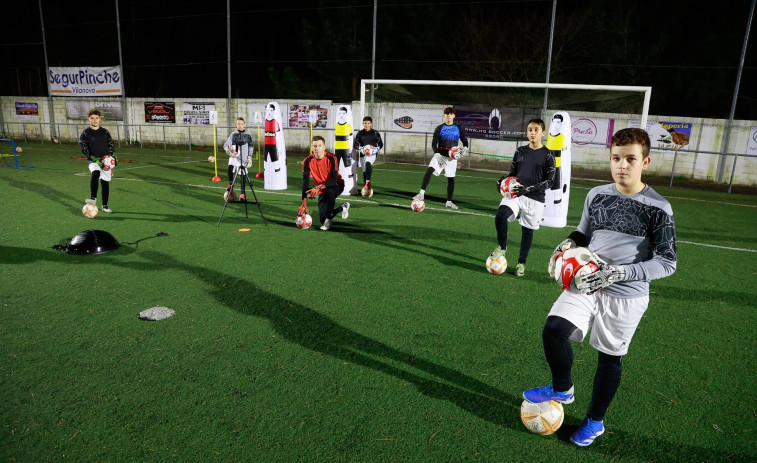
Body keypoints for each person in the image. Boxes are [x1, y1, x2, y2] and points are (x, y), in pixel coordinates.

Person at [522, 127, 677, 447]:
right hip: (586, 281)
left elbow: (667, 262)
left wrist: (618, 273)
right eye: (616, 158)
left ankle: (594, 421)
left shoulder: (659, 208)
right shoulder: (597, 195)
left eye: (631, 159)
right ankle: (563, 388)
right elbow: (583, 234)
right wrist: (565, 244)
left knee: (609, 358)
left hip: (627, 295)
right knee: (553, 329)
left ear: (645, 162)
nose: (622, 165)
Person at [489, 118, 556, 276]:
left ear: (543, 133)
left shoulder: (548, 155)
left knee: (527, 231)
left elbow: (550, 181)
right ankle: (502, 247)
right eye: (530, 130)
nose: (532, 133)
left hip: (535, 199)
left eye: (536, 130)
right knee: (501, 215)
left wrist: (530, 188)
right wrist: (503, 182)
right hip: (516, 194)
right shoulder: (520, 151)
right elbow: (512, 174)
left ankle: (521, 264)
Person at [412, 107, 469, 210]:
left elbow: (465, 141)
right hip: (440, 155)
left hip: (452, 158)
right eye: (446, 113)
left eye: (450, 113)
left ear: (454, 115)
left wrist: (465, 148)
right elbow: (434, 144)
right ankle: (421, 194)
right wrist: (437, 154)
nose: (448, 115)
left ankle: (449, 202)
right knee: (429, 170)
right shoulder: (439, 128)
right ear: (444, 115)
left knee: (451, 179)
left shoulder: (458, 127)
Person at [299, 136, 350, 231]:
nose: (317, 148)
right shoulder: (307, 161)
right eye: (314, 146)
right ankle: (343, 208)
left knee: (330, 190)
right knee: (323, 218)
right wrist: (304, 202)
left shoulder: (332, 158)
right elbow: (305, 182)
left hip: (336, 185)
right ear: (312, 147)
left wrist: (318, 188)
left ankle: (329, 219)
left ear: (324, 147)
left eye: (319, 146)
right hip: (322, 190)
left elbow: (334, 179)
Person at [79, 108, 116, 213]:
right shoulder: (85, 133)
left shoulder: (105, 132)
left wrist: (112, 157)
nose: (94, 120)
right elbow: (83, 147)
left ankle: (105, 206)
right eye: (92, 118)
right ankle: (93, 198)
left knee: (105, 183)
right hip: (93, 161)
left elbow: (110, 145)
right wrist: (92, 157)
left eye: (96, 118)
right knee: (95, 172)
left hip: (106, 161)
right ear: (88, 120)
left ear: (100, 119)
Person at [222, 117, 254, 202]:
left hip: (244, 159)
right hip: (234, 157)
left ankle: (242, 194)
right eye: (238, 124)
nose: (240, 125)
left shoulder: (248, 135)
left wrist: (250, 157)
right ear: (235, 125)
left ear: (244, 124)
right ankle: (230, 184)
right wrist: (228, 151)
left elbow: (251, 146)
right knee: (230, 167)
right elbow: (225, 145)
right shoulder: (233, 134)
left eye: (241, 124)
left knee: (243, 176)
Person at [353, 116, 383, 195]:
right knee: (364, 171)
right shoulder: (360, 133)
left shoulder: (375, 133)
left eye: (368, 123)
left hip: (372, 154)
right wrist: (361, 148)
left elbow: (380, 144)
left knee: (367, 163)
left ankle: (368, 183)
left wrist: (375, 150)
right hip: (363, 154)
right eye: (365, 123)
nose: (366, 125)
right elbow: (355, 144)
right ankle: (366, 189)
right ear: (363, 123)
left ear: (371, 124)